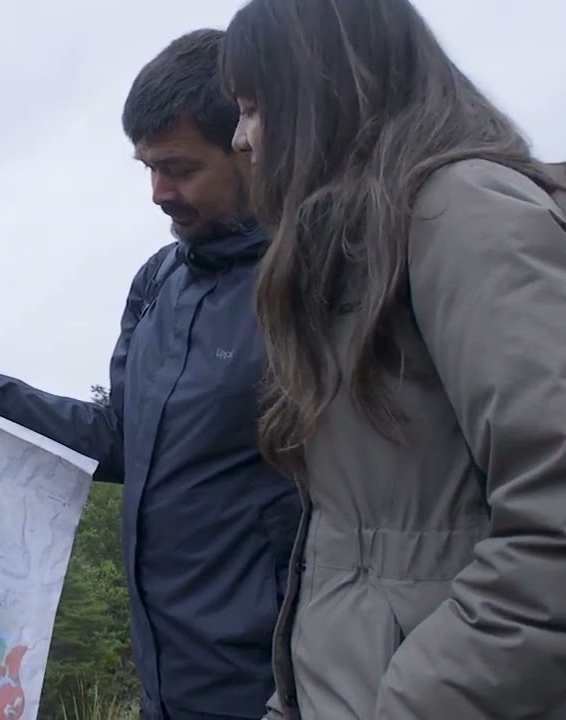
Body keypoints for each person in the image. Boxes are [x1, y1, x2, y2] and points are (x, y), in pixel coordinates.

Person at [0, 30, 300, 720]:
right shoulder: (157, 282)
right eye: (147, 167)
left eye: (179, 168)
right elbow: (123, 439)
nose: (158, 193)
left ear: (249, 145)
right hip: (167, 676)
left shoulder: (310, 277)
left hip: (278, 679)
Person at [220, 0, 566, 717]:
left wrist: (411, 704)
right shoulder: (352, 256)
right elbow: (349, 559)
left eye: (254, 108)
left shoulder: (466, 213)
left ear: (326, 91)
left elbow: (552, 524)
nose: (240, 138)